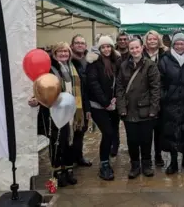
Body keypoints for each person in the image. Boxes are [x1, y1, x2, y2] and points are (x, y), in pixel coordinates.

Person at [29, 42, 89, 187]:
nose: (63, 54)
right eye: (60, 52)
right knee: (57, 142)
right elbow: (41, 86)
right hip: (54, 112)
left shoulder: (74, 67)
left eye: (66, 52)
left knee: (70, 142)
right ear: (54, 54)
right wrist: (36, 99)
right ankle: (57, 172)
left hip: (72, 112)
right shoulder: (49, 69)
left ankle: (68, 169)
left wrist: (86, 110)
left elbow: (83, 90)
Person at [116, 38, 161, 179]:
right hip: (129, 110)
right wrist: (121, 108)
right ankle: (135, 165)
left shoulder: (150, 65)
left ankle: (147, 164)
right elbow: (120, 89)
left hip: (146, 110)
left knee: (146, 139)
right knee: (132, 140)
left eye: (137, 47)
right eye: (132, 48)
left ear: (142, 48)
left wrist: (154, 109)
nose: (134, 50)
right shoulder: (123, 66)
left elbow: (155, 89)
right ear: (129, 50)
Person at [158, 33, 184, 174]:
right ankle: (173, 161)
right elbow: (160, 81)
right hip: (170, 102)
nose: (179, 46)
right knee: (171, 131)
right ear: (173, 45)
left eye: (182, 43)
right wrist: (164, 96)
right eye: (177, 44)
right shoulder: (165, 60)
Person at [85, 36, 121, 181]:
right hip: (98, 105)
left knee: (112, 134)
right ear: (99, 49)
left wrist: (116, 98)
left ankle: (106, 160)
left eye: (108, 46)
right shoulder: (93, 64)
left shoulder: (116, 62)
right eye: (103, 47)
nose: (106, 49)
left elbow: (119, 81)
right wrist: (106, 102)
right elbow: (94, 85)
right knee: (107, 132)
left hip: (113, 105)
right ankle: (104, 164)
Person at [142, 30, 168, 167]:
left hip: (161, 96)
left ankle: (158, 155)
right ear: (145, 41)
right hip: (145, 96)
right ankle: (146, 157)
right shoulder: (141, 54)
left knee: (159, 129)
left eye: (154, 39)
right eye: (149, 39)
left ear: (159, 40)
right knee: (146, 129)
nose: (152, 41)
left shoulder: (165, 54)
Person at [70, 34, 93, 167]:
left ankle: (78, 157)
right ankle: (69, 159)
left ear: (85, 46)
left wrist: (88, 108)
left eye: (82, 43)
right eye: (77, 43)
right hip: (69, 102)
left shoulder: (88, 61)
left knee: (80, 131)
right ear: (72, 45)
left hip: (83, 102)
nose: (79, 45)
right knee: (70, 133)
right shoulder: (68, 60)